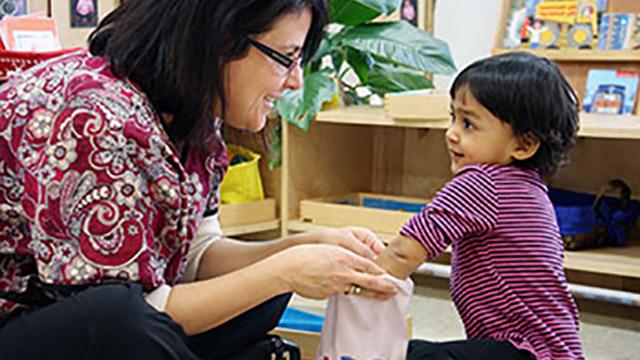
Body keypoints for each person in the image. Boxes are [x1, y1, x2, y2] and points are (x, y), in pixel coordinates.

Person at [0, 1, 398, 359]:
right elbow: (125, 311)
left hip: (105, 311)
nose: (295, 81)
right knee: (121, 319)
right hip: (32, 318)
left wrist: (301, 247)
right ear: (223, 38)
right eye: (286, 58)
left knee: (266, 293)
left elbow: (194, 255)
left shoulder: (196, 112)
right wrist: (284, 269)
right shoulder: (95, 117)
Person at [374, 52, 585, 359]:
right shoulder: (528, 186)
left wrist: (354, 285)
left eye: (469, 124)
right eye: (453, 118)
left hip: (525, 350)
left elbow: (405, 251)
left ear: (523, 145)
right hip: (546, 348)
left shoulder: (481, 182)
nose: (451, 133)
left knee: (410, 356)